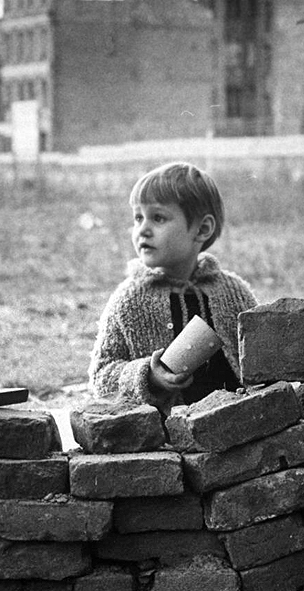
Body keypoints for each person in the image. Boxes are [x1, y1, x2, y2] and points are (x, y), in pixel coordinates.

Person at [89, 162, 258, 410]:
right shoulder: (129, 299)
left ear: (202, 229)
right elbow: (101, 375)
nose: (142, 230)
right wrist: (148, 376)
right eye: (138, 218)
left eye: (158, 218)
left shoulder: (234, 293)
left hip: (234, 424)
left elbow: (261, 356)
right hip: (164, 436)